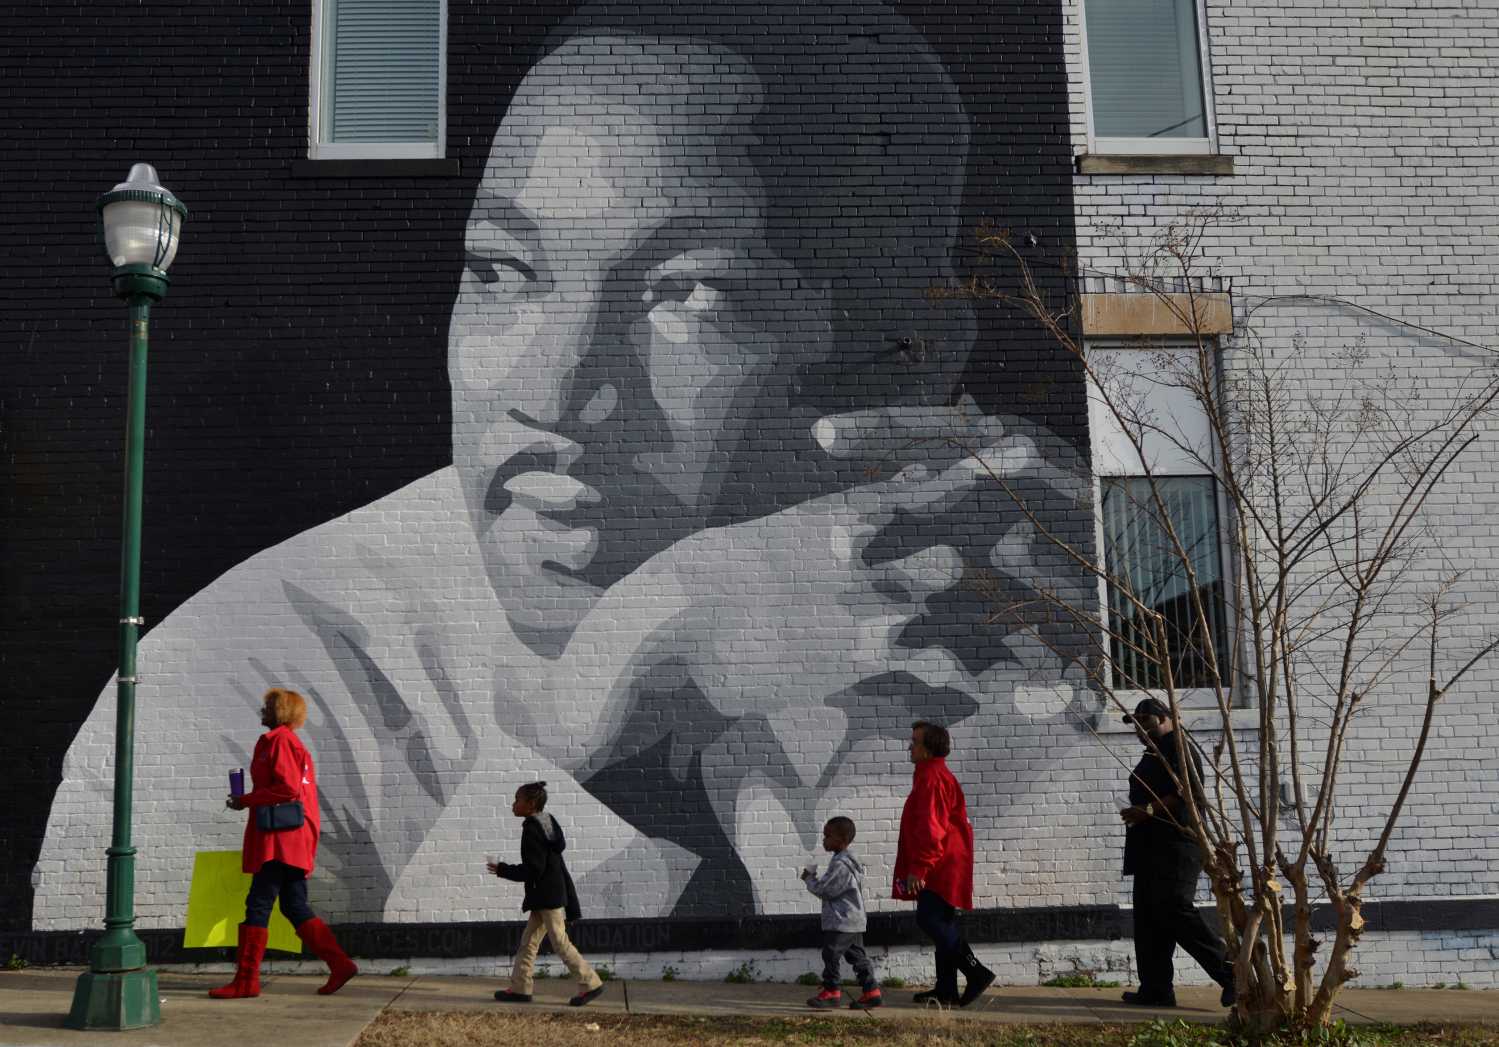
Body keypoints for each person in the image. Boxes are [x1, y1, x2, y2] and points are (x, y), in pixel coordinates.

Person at [36, 0, 1090, 931]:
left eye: (684, 295)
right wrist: (604, 707)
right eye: (502, 270)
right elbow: (195, 1004)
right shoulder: (254, 673)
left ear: (905, 360)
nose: (547, 387)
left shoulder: (987, 619)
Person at [209, 688, 358, 999]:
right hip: (292, 838)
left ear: (280, 710)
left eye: (267, 706)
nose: (262, 710)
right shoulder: (289, 742)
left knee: (258, 904)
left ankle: (246, 981)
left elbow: (288, 788)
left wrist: (246, 800)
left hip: (278, 839)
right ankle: (340, 964)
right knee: (294, 905)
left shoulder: (278, 741)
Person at [1118, 698, 1235, 1008]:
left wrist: (1149, 809)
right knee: (1148, 918)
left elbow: (1191, 793)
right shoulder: (1155, 750)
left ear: (1166, 717)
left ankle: (1231, 973)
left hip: (1177, 845)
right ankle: (1155, 988)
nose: (1142, 729)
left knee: (1174, 909)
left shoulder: (1177, 745)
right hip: (1149, 847)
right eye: (1137, 723)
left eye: (1147, 721)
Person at [895, 721, 993, 1008]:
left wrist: (919, 868)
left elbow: (932, 829)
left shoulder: (932, 778)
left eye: (915, 741)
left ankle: (976, 971)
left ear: (929, 748)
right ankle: (946, 988)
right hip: (942, 859)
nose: (909, 746)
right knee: (941, 921)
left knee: (931, 919)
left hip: (941, 863)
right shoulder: (927, 774)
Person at [488, 781, 606, 1007]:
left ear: (530, 804)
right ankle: (521, 988)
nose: (513, 804)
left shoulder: (532, 829)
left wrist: (503, 869)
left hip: (546, 897)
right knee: (528, 943)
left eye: (517, 800)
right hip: (546, 894)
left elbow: (534, 869)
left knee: (560, 942)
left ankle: (591, 983)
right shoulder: (547, 823)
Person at [800, 816, 881, 1010]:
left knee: (831, 954)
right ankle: (871, 992)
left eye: (828, 836)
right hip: (853, 920)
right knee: (857, 957)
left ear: (842, 839)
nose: (824, 840)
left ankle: (831, 992)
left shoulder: (840, 864)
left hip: (841, 921)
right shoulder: (846, 861)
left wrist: (809, 878)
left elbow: (825, 891)